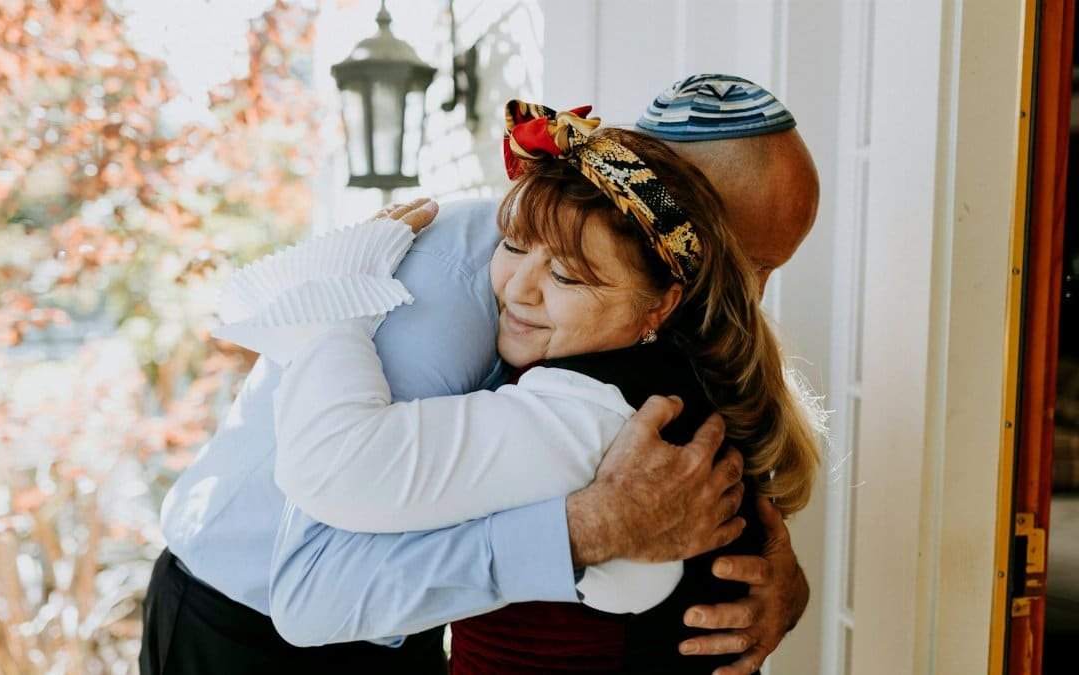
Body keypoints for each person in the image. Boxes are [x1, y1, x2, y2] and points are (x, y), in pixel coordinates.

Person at [141, 75, 818, 675]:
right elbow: (314, 582)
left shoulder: (658, 326)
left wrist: (774, 583)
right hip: (241, 623)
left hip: (409, 628)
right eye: (739, 261)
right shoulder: (454, 293)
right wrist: (584, 531)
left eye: (772, 270)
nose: (751, 298)